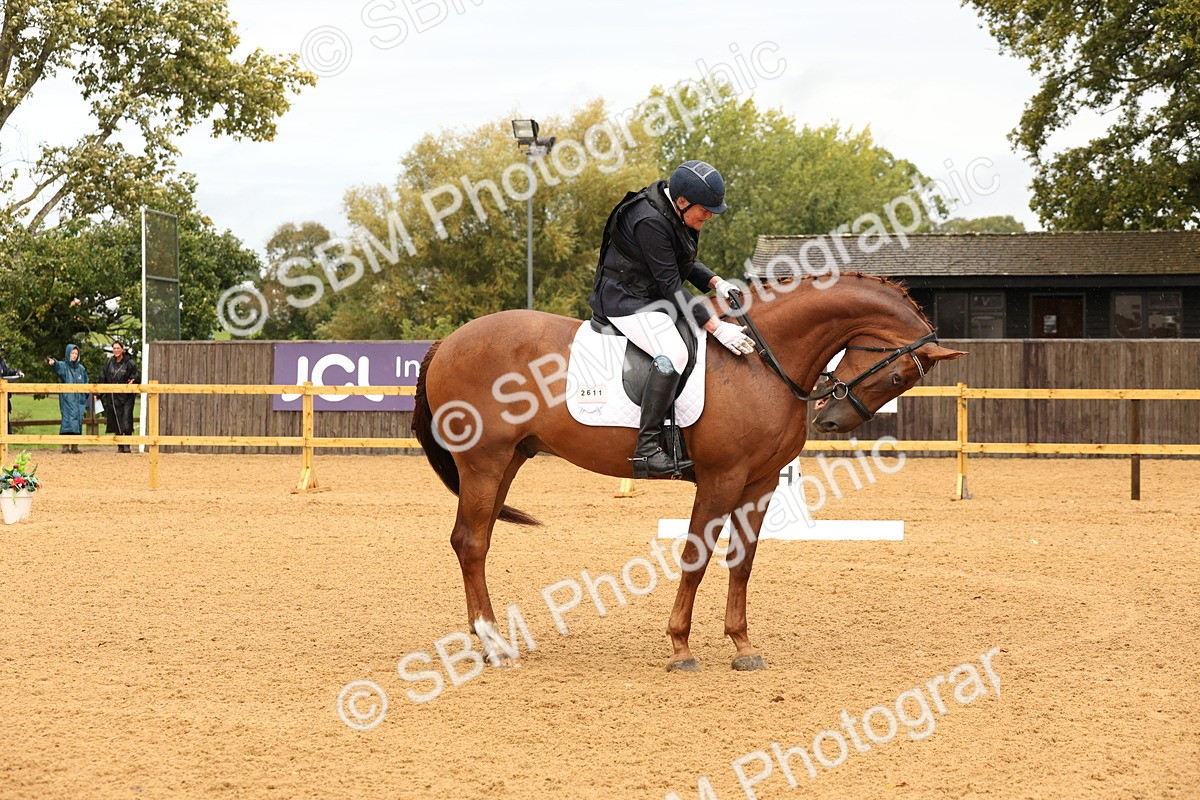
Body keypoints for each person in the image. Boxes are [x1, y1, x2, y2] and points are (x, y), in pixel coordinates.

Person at [588, 160, 756, 478]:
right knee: (674, 353)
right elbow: (671, 286)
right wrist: (718, 327)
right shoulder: (648, 220)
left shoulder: (674, 212)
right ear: (682, 202)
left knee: (692, 338)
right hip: (625, 299)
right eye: (704, 210)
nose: (708, 216)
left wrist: (717, 282)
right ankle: (647, 449)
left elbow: (682, 261)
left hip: (649, 295)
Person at [47, 344, 89, 454]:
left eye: (76, 353)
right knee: (67, 421)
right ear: (68, 353)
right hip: (67, 399)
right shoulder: (64, 366)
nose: (74, 355)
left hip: (79, 400)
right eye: (72, 353)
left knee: (78, 421)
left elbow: (86, 383)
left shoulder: (81, 369)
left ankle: (75, 446)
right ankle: (65, 446)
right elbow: (57, 366)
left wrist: (85, 395)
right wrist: (53, 363)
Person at [99, 341, 138, 453]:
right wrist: (99, 393)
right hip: (113, 396)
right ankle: (120, 446)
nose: (116, 350)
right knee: (116, 420)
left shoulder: (129, 363)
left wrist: (133, 381)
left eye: (118, 348)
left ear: (122, 349)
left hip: (126, 397)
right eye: (114, 348)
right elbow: (103, 377)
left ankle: (127, 445)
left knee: (126, 419)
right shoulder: (108, 363)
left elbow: (135, 375)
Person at [0, 346, 25, 435]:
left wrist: (17, 372)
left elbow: (9, 371)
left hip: (3, 398)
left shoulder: (1, 362)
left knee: (4, 423)